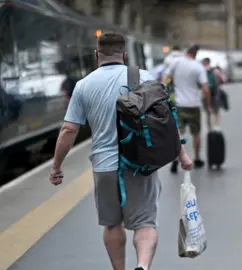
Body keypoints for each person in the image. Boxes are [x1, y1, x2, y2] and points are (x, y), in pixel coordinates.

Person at [49, 32, 193, 270]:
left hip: (104, 166)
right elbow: (166, 121)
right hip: (139, 164)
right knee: (145, 224)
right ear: (124, 54)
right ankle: (143, 266)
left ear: (97, 55)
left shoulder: (83, 85)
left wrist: (56, 166)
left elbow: (68, 130)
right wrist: (183, 155)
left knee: (112, 225)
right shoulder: (145, 78)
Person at [164, 45, 211, 173]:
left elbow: (166, 77)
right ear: (195, 54)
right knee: (196, 133)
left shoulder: (176, 62)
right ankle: (197, 158)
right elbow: (205, 89)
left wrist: (164, 91)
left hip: (179, 104)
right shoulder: (198, 67)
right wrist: (209, 105)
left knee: (179, 132)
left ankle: (175, 160)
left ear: (186, 52)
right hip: (194, 105)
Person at [201, 57, 221, 127]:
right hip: (215, 93)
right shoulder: (215, 70)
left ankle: (209, 126)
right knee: (217, 110)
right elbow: (222, 79)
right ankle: (216, 125)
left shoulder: (202, 71)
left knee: (207, 111)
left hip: (205, 93)